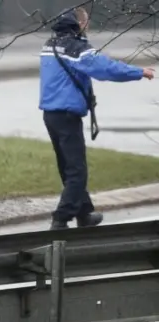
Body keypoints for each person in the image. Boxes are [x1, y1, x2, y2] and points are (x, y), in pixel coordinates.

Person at [39, 7, 154, 230]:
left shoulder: (50, 45)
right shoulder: (76, 49)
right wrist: (139, 72)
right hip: (67, 115)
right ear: (79, 24)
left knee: (67, 167)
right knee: (77, 170)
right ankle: (61, 218)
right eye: (86, 23)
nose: (88, 27)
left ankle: (84, 213)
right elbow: (106, 69)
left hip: (50, 115)